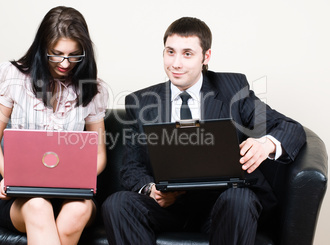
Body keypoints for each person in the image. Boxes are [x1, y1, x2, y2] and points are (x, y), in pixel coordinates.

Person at [102, 17, 306, 245]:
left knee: (239, 198)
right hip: (170, 209)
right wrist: (152, 190)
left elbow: (291, 128)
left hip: (223, 204)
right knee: (117, 203)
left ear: (205, 57)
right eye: (170, 52)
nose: (176, 63)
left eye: (187, 54)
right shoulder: (140, 102)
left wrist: (265, 144)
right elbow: (132, 166)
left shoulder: (232, 90)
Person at [0, 6, 108, 245]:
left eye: (74, 55)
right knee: (38, 206)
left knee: (78, 211)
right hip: (23, 197)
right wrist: (10, 177)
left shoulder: (93, 89)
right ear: (43, 47)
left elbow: (100, 155)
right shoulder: (13, 78)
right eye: (57, 53)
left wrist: (78, 178)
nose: (65, 63)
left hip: (71, 194)